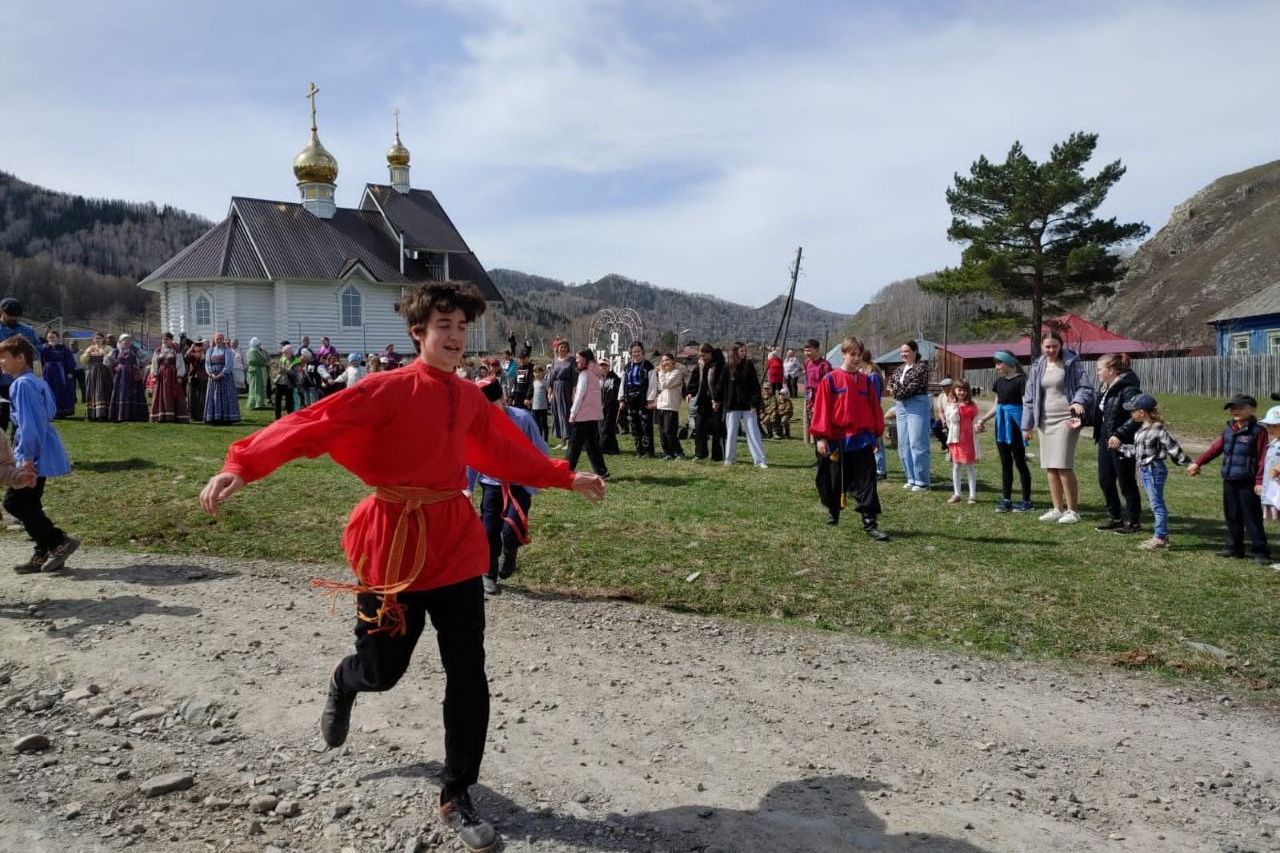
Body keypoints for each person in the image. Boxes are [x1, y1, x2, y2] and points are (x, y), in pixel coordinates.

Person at [199, 282, 605, 852]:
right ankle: (345, 681)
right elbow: (313, 423)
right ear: (418, 333)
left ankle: (456, 792)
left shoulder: (468, 399)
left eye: (463, 328)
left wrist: (565, 475)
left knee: (468, 671)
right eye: (445, 327)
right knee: (383, 669)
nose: (456, 338)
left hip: (455, 543)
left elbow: (507, 451)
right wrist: (244, 464)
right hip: (392, 544)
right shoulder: (385, 389)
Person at [0, 335, 78, 574]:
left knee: (14, 502)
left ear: (20, 357)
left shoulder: (22, 385)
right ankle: (41, 552)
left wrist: (26, 458)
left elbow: (29, 423)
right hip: (43, 447)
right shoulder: (37, 381)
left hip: (35, 451)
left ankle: (57, 541)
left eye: (4, 357)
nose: (1, 363)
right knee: (30, 503)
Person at [466, 377, 547, 595]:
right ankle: (488, 574)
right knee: (489, 530)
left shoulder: (522, 418)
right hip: (492, 483)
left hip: (519, 484)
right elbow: (472, 457)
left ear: (503, 398)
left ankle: (510, 550)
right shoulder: (478, 425)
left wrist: (537, 479)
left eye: (495, 406)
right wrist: (468, 487)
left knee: (511, 530)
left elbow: (540, 450)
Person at [809, 337, 889, 541]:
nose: (856, 358)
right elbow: (822, 409)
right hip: (836, 439)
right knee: (833, 480)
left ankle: (870, 522)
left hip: (861, 439)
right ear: (843, 354)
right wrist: (820, 437)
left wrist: (876, 436)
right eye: (852, 354)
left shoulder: (866, 381)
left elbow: (874, 410)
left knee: (867, 482)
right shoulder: (831, 379)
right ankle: (833, 511)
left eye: (859, 354)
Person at [1188, 394, 1270, 565]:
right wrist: (1198, 462)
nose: (1235, 411)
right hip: (1229, 479)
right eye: (1232, 408)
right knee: (1232, 515)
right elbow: (1215, 449)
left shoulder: (1258, 431)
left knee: (1251, 517)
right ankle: (1234, 546)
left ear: (1252, 409)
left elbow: (1263, 458)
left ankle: (1260, 550)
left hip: (1248, 482)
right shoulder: (1228, 429)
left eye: (1240, 407)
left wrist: (1260, 481)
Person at [1022, 331, 1093, 524]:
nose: (1051, 350)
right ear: (1041, 347)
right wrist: (1026, 425)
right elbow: (1029, 398)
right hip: (1045, 420)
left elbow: (1085, 387)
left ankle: (1073, 510)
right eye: (1047, 346)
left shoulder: (1071, 362)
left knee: (1063, 464)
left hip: (1066, 419)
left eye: (1054, 346)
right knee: (1050, 466)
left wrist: (1079, 401)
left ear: (1060, 346)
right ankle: (1057, 508)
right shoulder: (1037, 365)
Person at [1115, 393, 1190, 551]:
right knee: (1155, 503)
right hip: (1145, 470)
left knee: (1157, 505)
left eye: (1132, 410)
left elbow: (1173, 447)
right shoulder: (1141, 429)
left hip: (1154, 470)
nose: (1131, 414)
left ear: (1141, 412)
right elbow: (1138, 451)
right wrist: (1120, 448)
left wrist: (1188, 463)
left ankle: (1160, 538)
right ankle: (1161, 536)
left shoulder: (1157, 429)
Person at [1092, 353, 1143, 534]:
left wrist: (1120, 435)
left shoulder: (1128, 388)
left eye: (1100, 369)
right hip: (1105, 440)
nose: (1097, 373)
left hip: (1122, 443)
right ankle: (1115, 518)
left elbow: (1138, 415)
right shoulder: (1106, 387)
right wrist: (1081, 420)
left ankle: (1134, 522)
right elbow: (1102, 414)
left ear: (1112, 370)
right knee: (1105, 480)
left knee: (1126, 482)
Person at [977, 351, 1032, 512]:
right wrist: (983, 419)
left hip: (1016, 425)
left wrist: (1026, 427)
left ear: (1010, 363)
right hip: (1001, 425)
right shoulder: (999, 382)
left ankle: (1026, 501)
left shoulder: (1022, 380)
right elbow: (996, 405)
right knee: (1005, 463)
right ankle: (1006, 499)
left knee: (1020, 462)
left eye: (999, 363)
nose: (996, 367)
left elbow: (1026, 405)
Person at [887, 340, 932, 491]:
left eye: (906, 351)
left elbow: (911, 388)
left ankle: (922, 481)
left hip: (916, 405)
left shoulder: (922, 367)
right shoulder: (899, 369)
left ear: (914, 351)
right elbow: (890, 385)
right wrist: (897, 389)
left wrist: (897, 390)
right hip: (901, 406)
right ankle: (911, 478)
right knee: (903, 444)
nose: (904, 354)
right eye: (902, 352)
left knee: (917, 443)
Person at [566, 349, 611, 479]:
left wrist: (573, 413)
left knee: (574, 445)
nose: (576, 361)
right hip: (592, 416)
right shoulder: (595, 375)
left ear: (585, 359)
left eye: (578, 358)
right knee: (592, 445)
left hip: (582, 416)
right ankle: (602, 472)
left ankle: (566, 472)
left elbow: (579, 395)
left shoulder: (584, 375)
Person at [722, 342, 768, 468]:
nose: (744, 353)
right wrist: (720, 401)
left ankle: (760, 460)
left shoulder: (749, 366)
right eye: (742, 351)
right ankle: (729, 459)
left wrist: (754, 402)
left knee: (753, 432)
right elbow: (722, 387)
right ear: (735, 352)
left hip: (748, 405)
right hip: (732, 406)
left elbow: (755, 386)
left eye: (745, 351)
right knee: (731, 433)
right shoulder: (727, 368)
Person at [0, 298, 41, 433]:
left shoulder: (27, 330)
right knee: (2, 418)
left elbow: (38, 351)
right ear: (2, 312)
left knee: (23, 419)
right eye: (10, 315)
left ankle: (19, 450)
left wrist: (25, 353)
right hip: (2, 382)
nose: (14, 319)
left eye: (16, 316)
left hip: (22, 382)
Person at [686, 343, 724, 462]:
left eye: (705, 355)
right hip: (703, 400)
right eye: (701, 355)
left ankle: (717, 456)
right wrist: (690, 392)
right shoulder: (701, 365)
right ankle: (700, 453)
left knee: (717, 428)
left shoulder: (719, 365)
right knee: (699, 426)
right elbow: (695, 379)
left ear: (710, 353)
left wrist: (716, 399)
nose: (703, 357)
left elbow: (720, 383)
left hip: (716, 400)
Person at [621, 342, 657, 458]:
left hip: (644, 400)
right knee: (634, 426)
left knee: (645, 425)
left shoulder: (648, 366)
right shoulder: (627, 367)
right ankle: (639, 450)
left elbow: (652, 383)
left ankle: (648, 451)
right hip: (630, 400)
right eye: (634, 352)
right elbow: (623, 383)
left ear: (643, 352)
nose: (636, 354)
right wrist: (621, 399)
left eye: (638, 351)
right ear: (631, 353)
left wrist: (650, 399)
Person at [855, 345, 885, 477]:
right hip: (864, 412)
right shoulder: (864, 373)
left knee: (877, 440)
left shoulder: (873, 376)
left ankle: (880, 469)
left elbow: (875, 397)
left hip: (872, 412)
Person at [106, 334, 148, 422]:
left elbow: (146, 357)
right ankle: (120, 415)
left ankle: (135, 415)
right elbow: (106, 361)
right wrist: (115, 363)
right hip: (121, 375)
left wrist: (139, 364)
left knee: (134, 392)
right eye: (125, 340)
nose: (127, 342)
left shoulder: (135, 350)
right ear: (121, 342)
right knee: (121, 392)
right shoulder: (116, 351)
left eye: (129, 340)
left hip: (133, 374)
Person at [149, 333, 190, 423]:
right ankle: (161, 416)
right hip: (161, 377)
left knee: (174, 395)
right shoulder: (158, 351)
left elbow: (180, 364)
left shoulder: (176, 351)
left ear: (171, 340)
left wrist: (179, 375)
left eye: (167, 339)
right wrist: (154, 375)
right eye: (163, 339)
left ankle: (174, 416)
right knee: (160, 395)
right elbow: (154, 364)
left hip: (173, 376)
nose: (165, 341)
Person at [204, 332, 241, 425]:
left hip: (225, 378)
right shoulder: (210, 351)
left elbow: (228, 364)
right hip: (213, 378)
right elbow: (207, 364)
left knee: (225, 396)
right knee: (214, 396)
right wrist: (211, 374)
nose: (219, 341)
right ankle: (213, 417)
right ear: (214, 340)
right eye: (217, 339)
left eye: (221, 339)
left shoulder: (227, 350)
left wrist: (221, 374)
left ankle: (227, 417)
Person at [39, 330, 78, 418]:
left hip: (61, 372)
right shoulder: (44, 348)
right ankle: (50, 411)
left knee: (61, 390)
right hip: (48, 372)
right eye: (49, 337)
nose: (51, 338)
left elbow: (69, 361)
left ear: (57, 338)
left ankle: (61, 411)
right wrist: (44, 370)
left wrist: (69, 372)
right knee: (49, 390)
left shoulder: (63, 348)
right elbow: (42, 361)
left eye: (53, 337)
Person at [655, 353, 686, 460]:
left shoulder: (677, 373)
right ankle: (668, 453)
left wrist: (661, 371)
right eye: (663, 361)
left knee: (669, 432)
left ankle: (679, 453)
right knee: (662, 433)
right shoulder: (663, 374)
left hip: (671, 406)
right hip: (661, 406)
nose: (665, 363)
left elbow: (665, 385)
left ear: (673, 361)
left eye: (667, 360)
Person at [547, 341, 575, 447]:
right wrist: (550, 392)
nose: (562, 349)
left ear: (567, 349)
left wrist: (573, 392)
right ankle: (562, 441)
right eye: (561, 347)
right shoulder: (555, 361)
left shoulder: (571, 360)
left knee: (566, 413)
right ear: (557, 349)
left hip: (566, 388)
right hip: (556, 388)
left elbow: (574, 377)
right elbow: (551, 378)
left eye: (564, 347)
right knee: (557, 413)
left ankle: (569, 440)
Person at [81, 332, 113, 422]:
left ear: (103, 339)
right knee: (91, 391)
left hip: (104, 372)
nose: (97, 340)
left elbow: (112, 359)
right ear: (93, 339)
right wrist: (87, 355)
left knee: (102, 391)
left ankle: (103, 414)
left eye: (99, 338)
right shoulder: (90, 348)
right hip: (91, 372)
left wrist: (104, 353)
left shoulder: (108, 348)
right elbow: (83, 360)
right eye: (96, 338)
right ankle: (92, 414)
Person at [802, 339, 832, 428]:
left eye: (809, 350)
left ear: (816, 349)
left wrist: (820, 402)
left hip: (821, 397)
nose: (806, 353)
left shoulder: (825, 365)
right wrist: (808, 399)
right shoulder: (807, 363)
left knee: (821, 423)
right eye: (805, 351)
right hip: (810, 397)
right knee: (812, 422)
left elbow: (828, 386)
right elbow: (807, 381)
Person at [597, 361, 622, 454]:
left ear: (609, 366)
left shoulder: (615, 378)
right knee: (604, 428)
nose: (603, 367)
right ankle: (613, 448)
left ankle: (602, 447)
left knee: (607, 427)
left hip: (611, 406)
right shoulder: (599, 378)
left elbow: (617, 392)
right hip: (600, 406)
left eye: (605, 365)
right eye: (601, 365)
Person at [186, 339, 208, 422]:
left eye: (200, 345)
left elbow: (205, 363)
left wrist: (202, 352)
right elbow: (186, 356)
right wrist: (191, 348)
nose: (198, 346)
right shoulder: (192, 354)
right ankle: (192, 414)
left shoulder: (205, 354)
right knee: (191, 396)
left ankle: (201, 414)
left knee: (202, 396)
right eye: (197, 345)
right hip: (192, 377)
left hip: (202, 377)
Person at [273, 344, 298, 419]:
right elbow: (278, 369)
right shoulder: (283, 358)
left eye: (286, 353)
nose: (284, 355)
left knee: (289, 403)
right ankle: (277, 418)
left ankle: (290, 418)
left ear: (290, 352)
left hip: (289, 385)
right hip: (280, 383)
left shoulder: (296, 360)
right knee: (277, 402)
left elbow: (295, 374)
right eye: (283, 353)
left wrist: (286, 370)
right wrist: (278, 371)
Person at [246, 338, 271, 410]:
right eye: (258, 344)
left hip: (258, 370)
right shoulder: (252, 351)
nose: (260, 345)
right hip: (255, 371)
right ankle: (255, 403)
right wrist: (265, 363)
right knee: (255, 387)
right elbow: (255, 360)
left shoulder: (254, 350)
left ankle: (260, 402)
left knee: (259, 387)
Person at [530, 365, 549, 441]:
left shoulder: (545, 382)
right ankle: (539, 439)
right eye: (535, 372)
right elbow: (533, 394)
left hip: (543, 407)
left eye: (539, 372)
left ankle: (545, 440)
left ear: (542, 373)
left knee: (544, 424)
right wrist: (531, 401)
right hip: (535, 407)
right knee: (537, 425)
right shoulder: (534, 382)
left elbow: (549, 391)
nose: (537, 374)